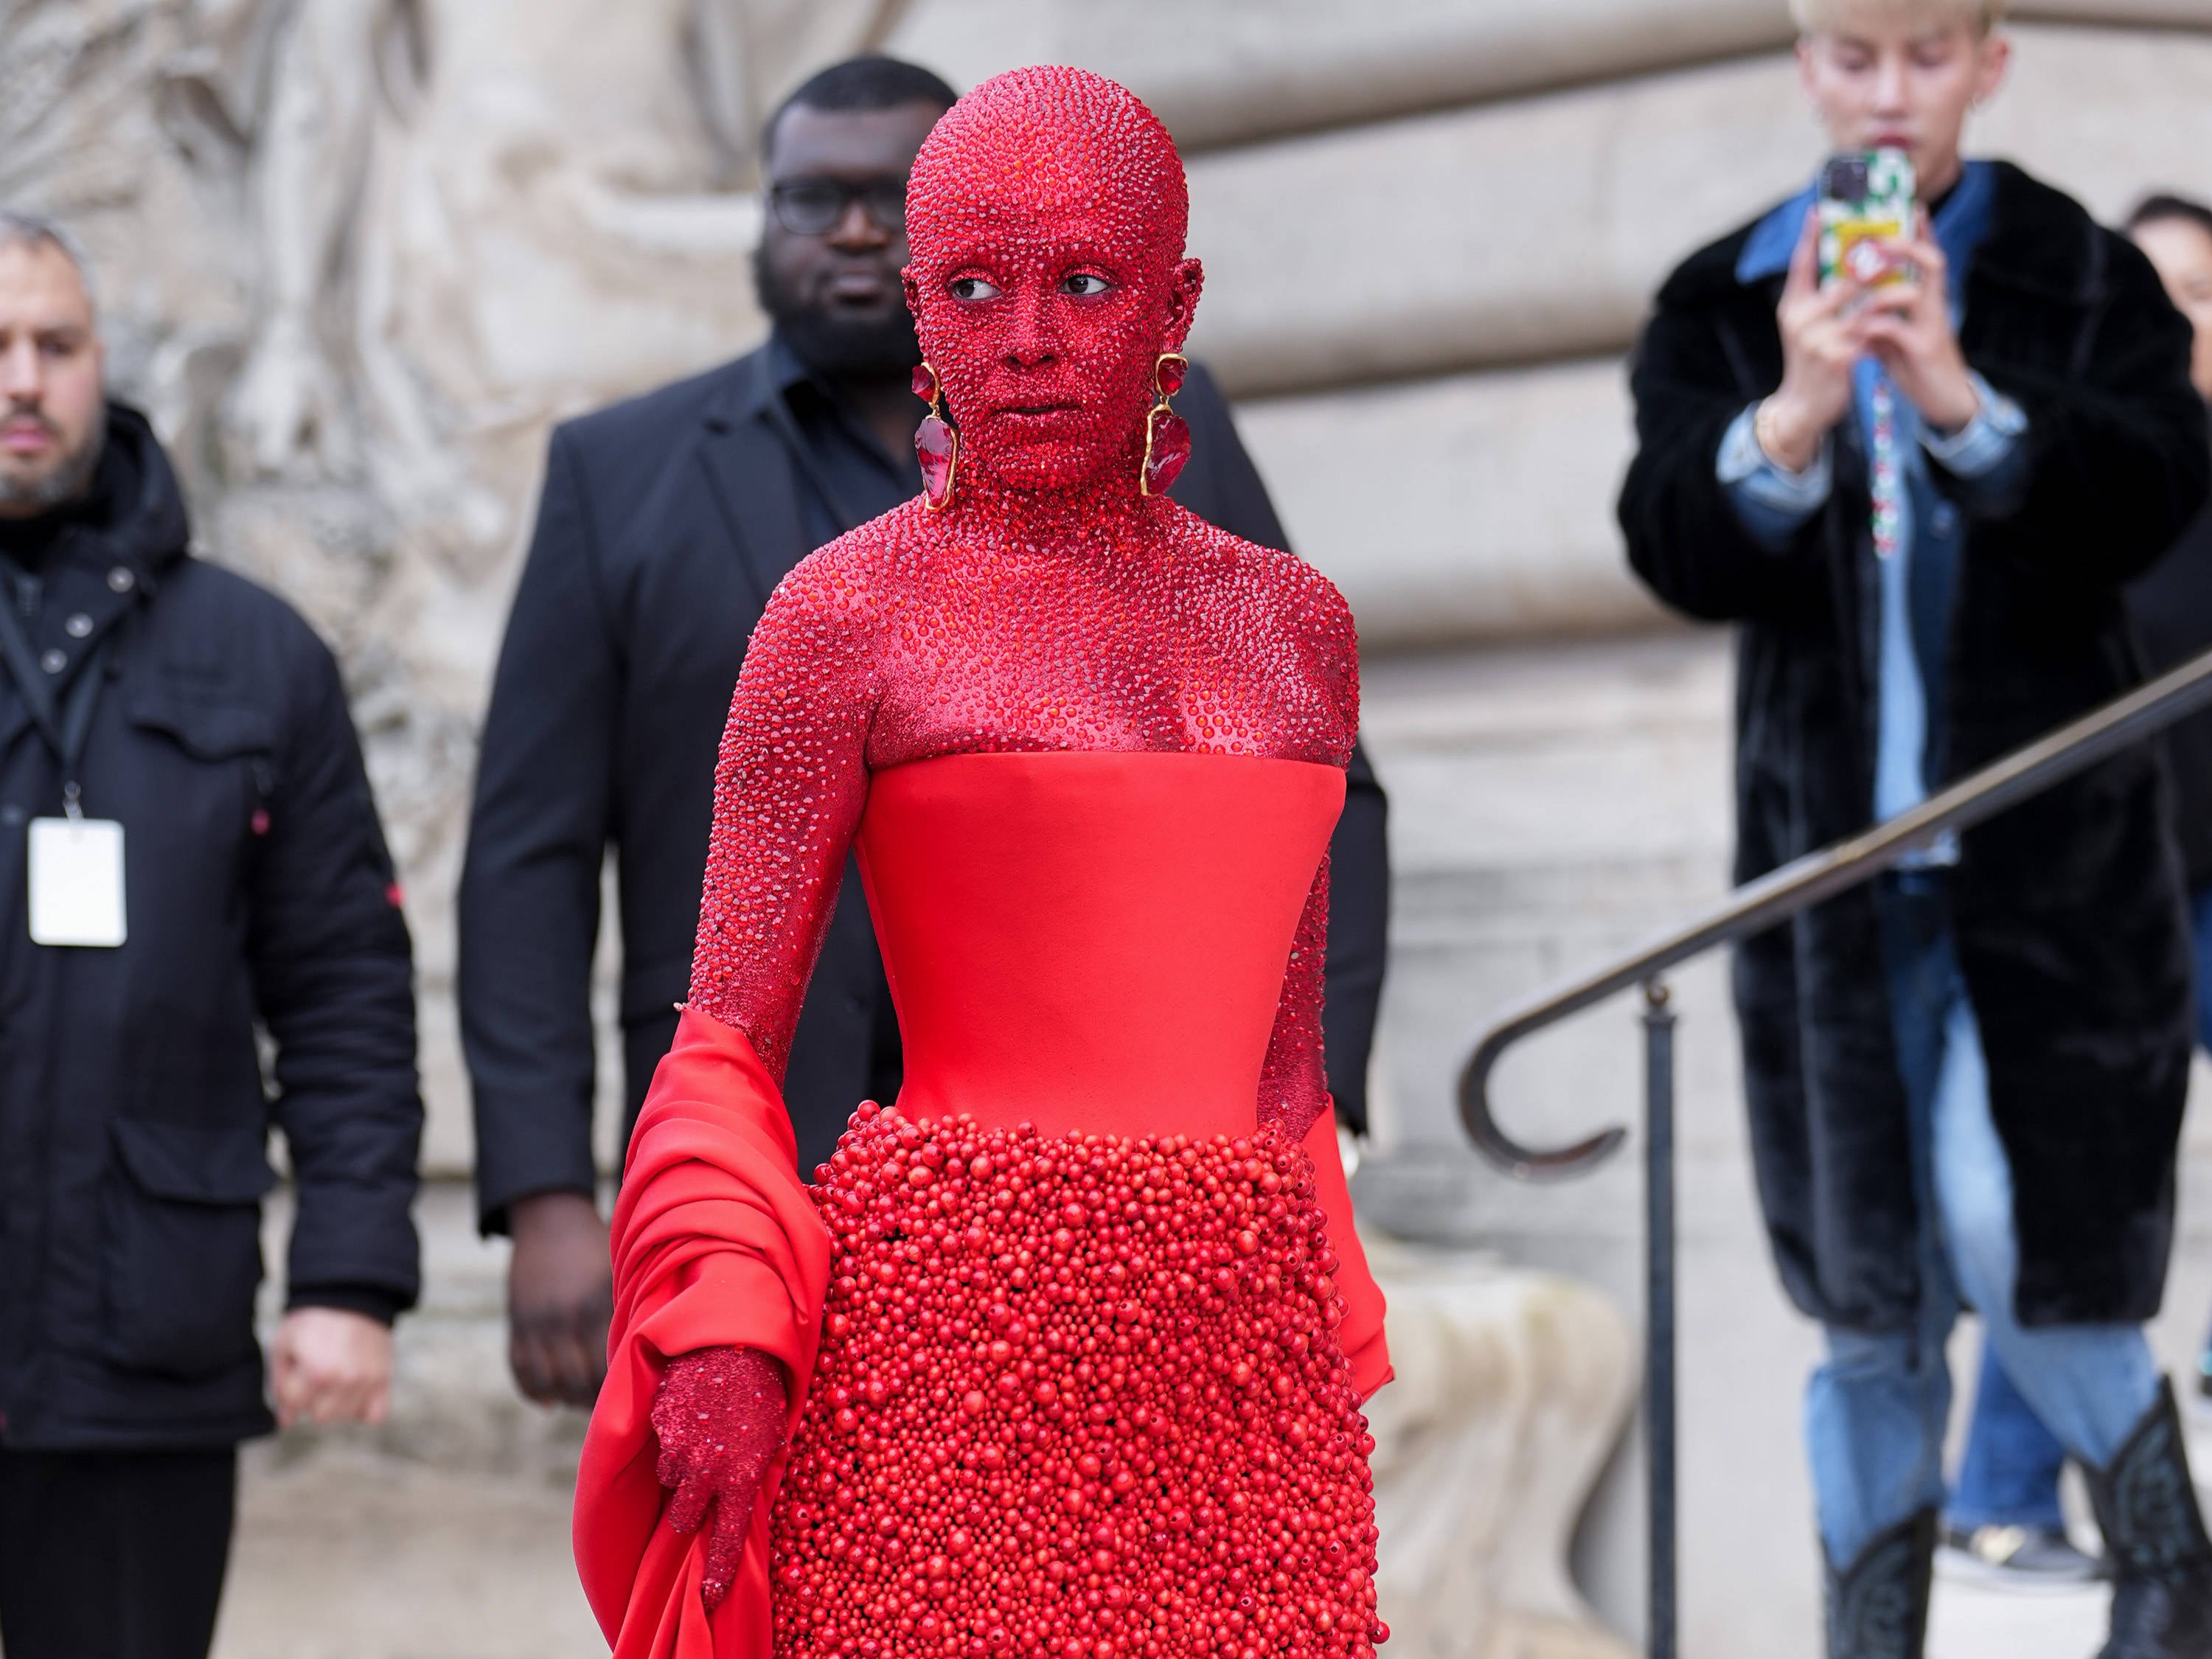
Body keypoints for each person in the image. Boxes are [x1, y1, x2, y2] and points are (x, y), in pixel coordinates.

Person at [570, 66, 1390, 1659]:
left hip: (1240, 1386)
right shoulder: (841, 615)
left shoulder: (1302, 629)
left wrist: (1323, 1336)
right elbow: (726, 1033)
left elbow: (1286, 1070)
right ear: (924, 308)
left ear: (1175, 300)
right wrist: (722, 1337)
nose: (1026, 340)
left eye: (1083, 283)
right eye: (973, 287)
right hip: (944, 1356)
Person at [1616, 0, 2212, 1652]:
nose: (1892, 95)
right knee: (1866, 1308)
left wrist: (1957, 394)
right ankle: (1868, 1634)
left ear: (1989, 63)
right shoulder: (1721, 296)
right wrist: (1794, 413)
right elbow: (1669, 535)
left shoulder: (2078, 269)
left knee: (2014, 1225)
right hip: (1827, 885)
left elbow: (2165, 482)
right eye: (1856, 57)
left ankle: (2171, 1569)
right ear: (1807, 65)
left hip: (2047, 878)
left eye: (1928, 56)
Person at [0, 211, 422, 1659]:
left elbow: (345, 989)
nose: (23, 381)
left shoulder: (252, 654)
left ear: (101, 365)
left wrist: (349, 1279)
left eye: (55, 344)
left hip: (144, 1332)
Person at [1937, 189, 2212, 1593]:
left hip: (2204, 889)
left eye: (2205, 293)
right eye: (2158, 292)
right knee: (2052, 1198)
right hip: (2097, 889)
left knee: (2065, 1205)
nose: (2186, 319)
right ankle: (1997, 1488)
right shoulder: (2069, 472)